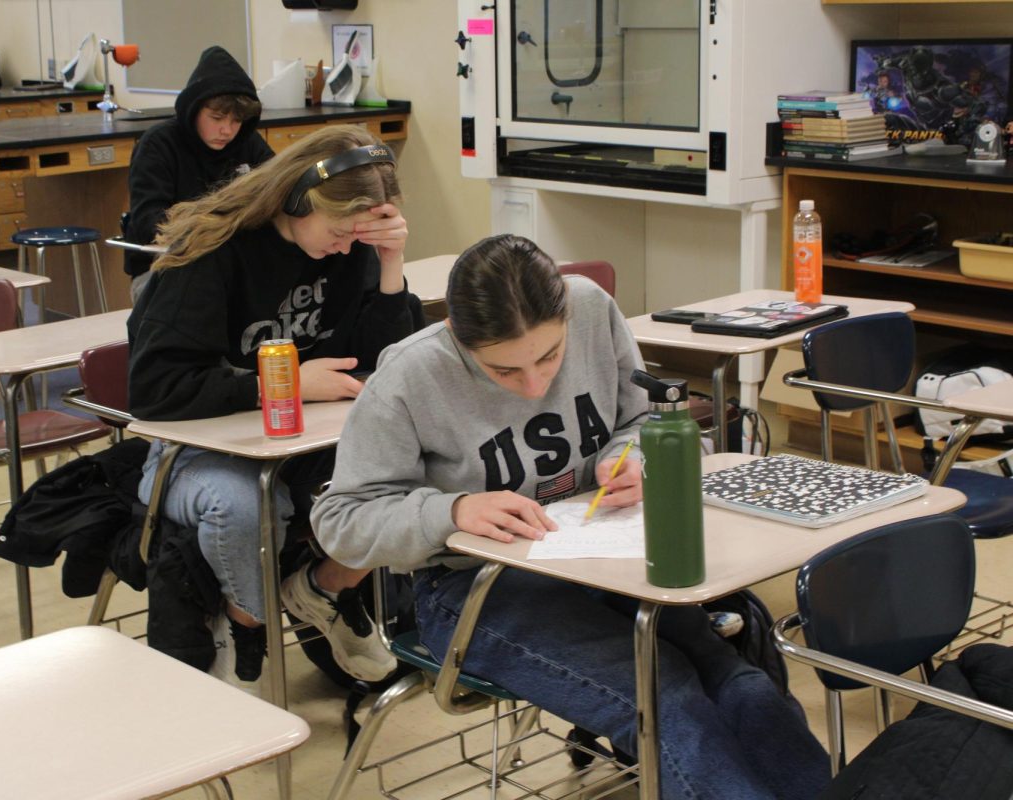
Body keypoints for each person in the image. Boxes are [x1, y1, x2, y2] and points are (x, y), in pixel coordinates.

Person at [311, 235, 832, 800]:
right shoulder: (409, 376)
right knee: (663, 697)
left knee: (740, 683)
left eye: (549, 357)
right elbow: (341, 519)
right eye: (504, 371)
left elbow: (639, 422)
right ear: (459, 339)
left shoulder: (589, 307)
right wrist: (452, 510)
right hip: (473, 589)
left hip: (598, 557)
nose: (534, 385)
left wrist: (629, 459)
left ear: (566, 315)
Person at [128, 124, 419, 691]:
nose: (342, 247)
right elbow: (154, 388)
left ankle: (324, 590)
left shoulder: (348, 250)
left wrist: (390, 263)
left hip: (304, 443)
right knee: (246, 506)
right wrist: (283, 384)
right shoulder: (211, 252)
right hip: (194, 449)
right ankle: (247, 625)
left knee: (423, 468)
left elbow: (383, 361)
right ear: (293, 198)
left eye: (355, 238)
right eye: (338, 232)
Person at [124, 46, 274, 301]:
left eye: (236, 121)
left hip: (238, 266)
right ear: (194, 110)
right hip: (165, 268)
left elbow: (279, 189)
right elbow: (151, 221)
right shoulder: (158, 145)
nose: (227, 130)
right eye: (216, 118)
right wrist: (214, 231)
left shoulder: (249, 144)